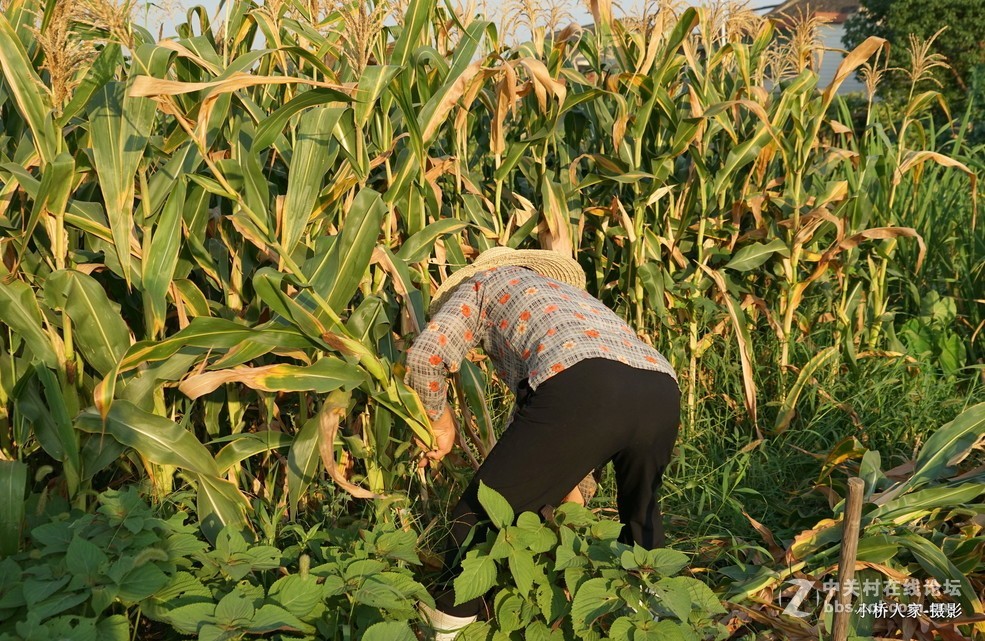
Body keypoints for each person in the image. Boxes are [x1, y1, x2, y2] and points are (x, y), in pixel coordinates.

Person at [405, 247, 681, 640]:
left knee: (477, 514)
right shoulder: (575, 301)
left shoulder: (481, 284)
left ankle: (444, 630)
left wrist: (440, 422)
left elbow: (423, 359)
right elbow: (569, 434)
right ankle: (655, 622)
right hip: (660, 388)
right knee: (641, 516)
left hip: (584, 386)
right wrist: (575, 495)